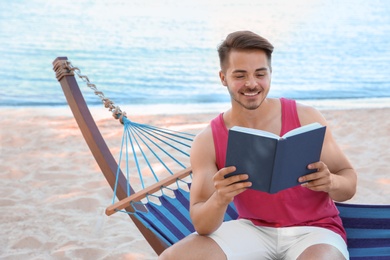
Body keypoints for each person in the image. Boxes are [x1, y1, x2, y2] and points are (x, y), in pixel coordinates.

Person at [159, 30, 357, 260]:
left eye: (260, 74)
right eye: (240, 75)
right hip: (253, 229)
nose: (252, 84)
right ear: (223, 78)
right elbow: (202, 225)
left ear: (270, 74)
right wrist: (220, 198)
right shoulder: (208, 140)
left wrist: (331, 182)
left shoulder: (307, 117)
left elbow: (349, 184)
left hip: (315, 231)